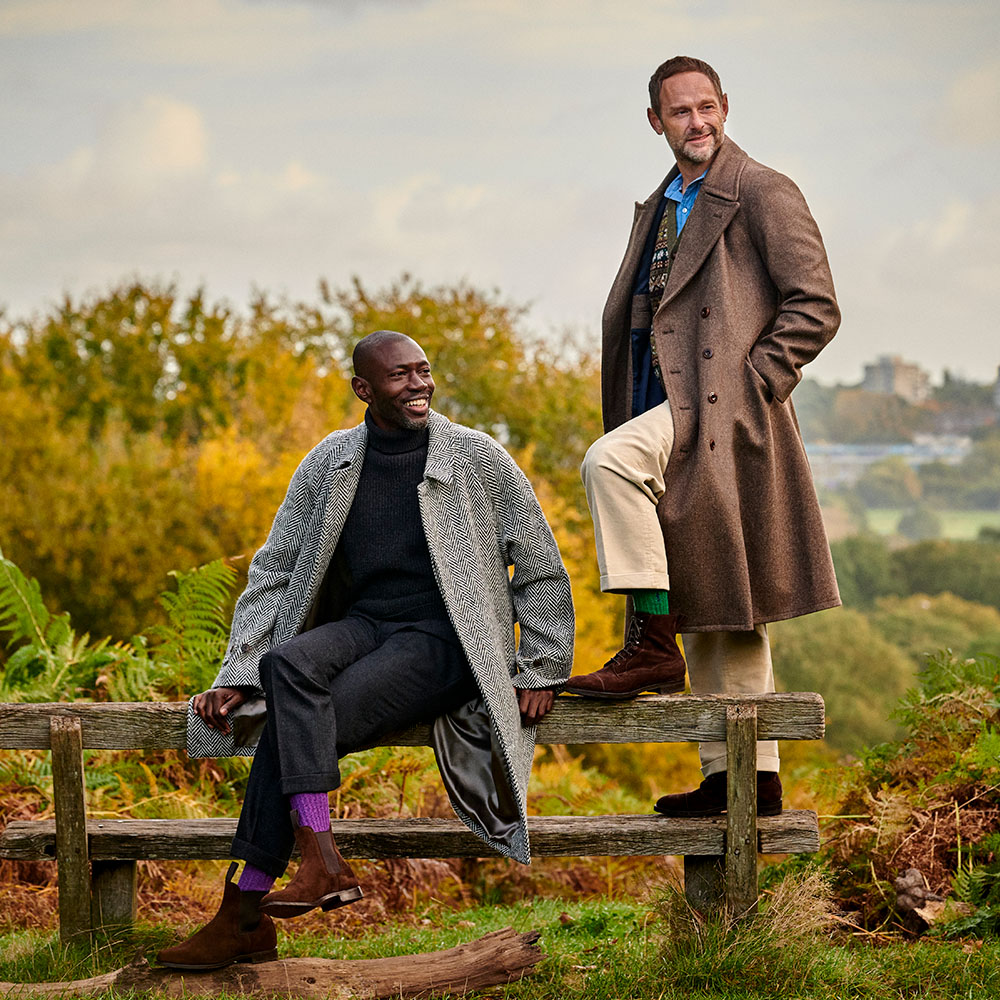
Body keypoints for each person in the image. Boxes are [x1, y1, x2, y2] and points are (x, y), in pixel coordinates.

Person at [157, 330, 574, 970]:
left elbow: (539, 566)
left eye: (424, 371)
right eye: (400, 375)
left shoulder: (478, 458)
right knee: (285, 667)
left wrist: (539, 666)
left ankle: (245, 912)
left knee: (294, 726)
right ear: (363, 389)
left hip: (445, 639)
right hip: (367, 623)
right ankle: (316, 863)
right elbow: (274, 567)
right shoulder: (331, 461)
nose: (419, 385)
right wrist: (239, 669)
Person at [565, 56, 840, 818]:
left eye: (707, 108)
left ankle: (651, 643)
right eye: (680, 112)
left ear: (726, 106)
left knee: (609, 463)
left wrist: (752, 385)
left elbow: (815, 305)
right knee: (723, 600)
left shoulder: (762, 190)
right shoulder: (661, 204)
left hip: (722, 411)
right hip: (663, 400)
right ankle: (745, 783)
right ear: (657, 122)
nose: (698, 123)